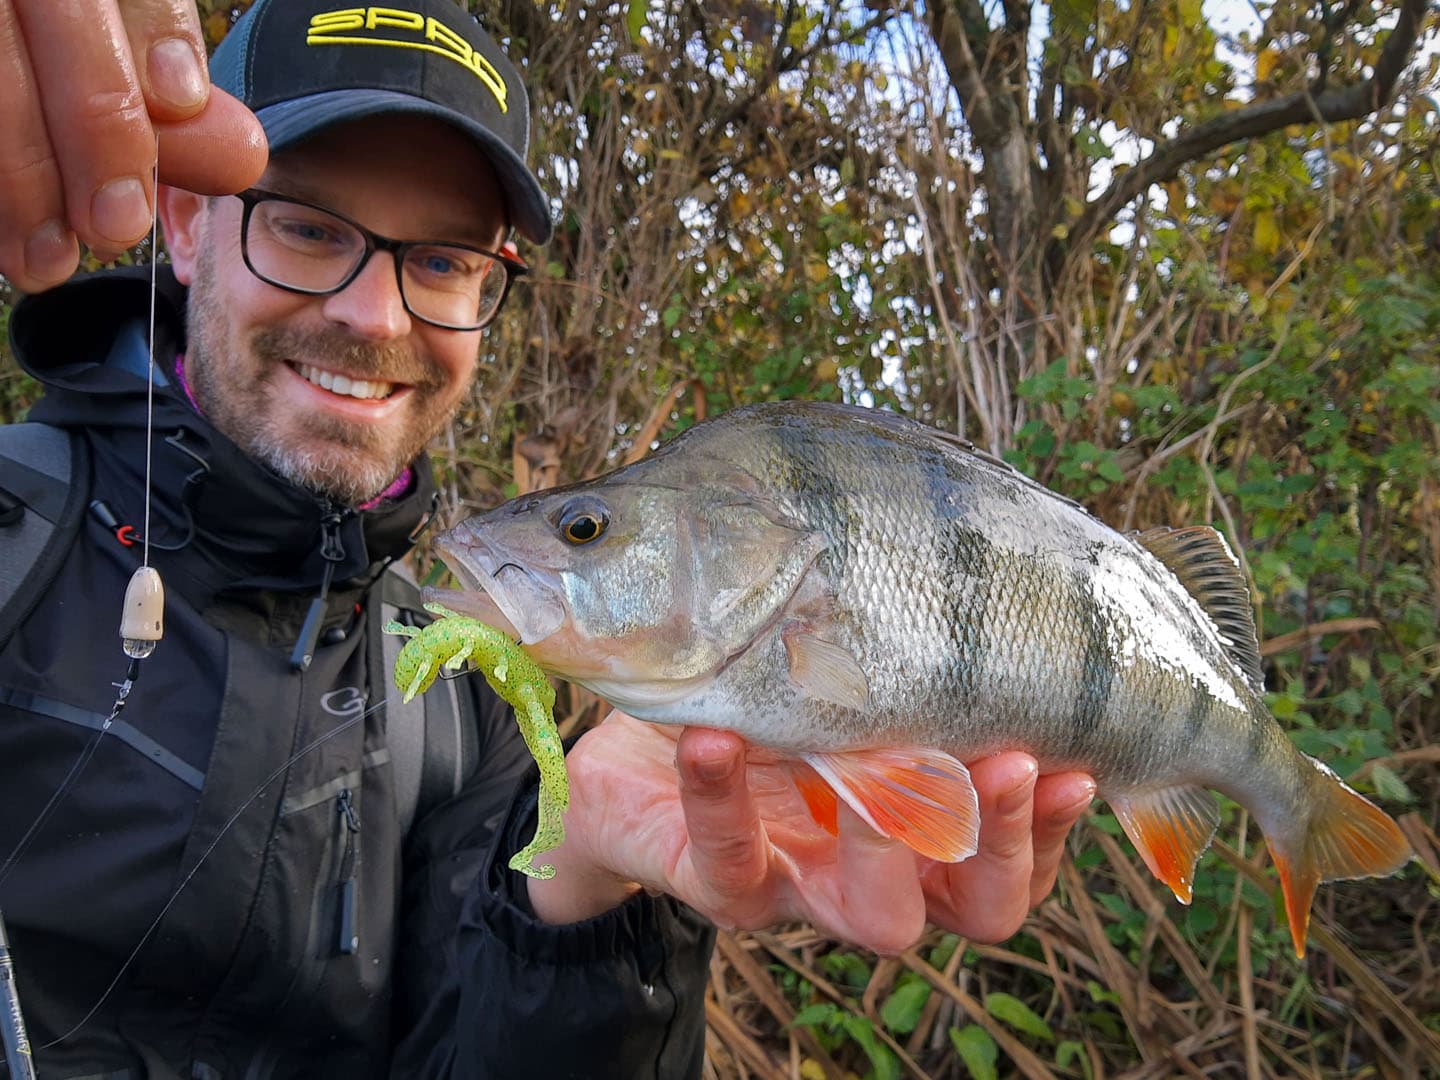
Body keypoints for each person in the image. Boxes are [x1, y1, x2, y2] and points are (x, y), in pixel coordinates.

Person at [0, 1, 1097, 1076]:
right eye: (308, 227)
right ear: (185, 224)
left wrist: (587, 883)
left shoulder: (460, 699)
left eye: (442, 261)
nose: (375, 316)